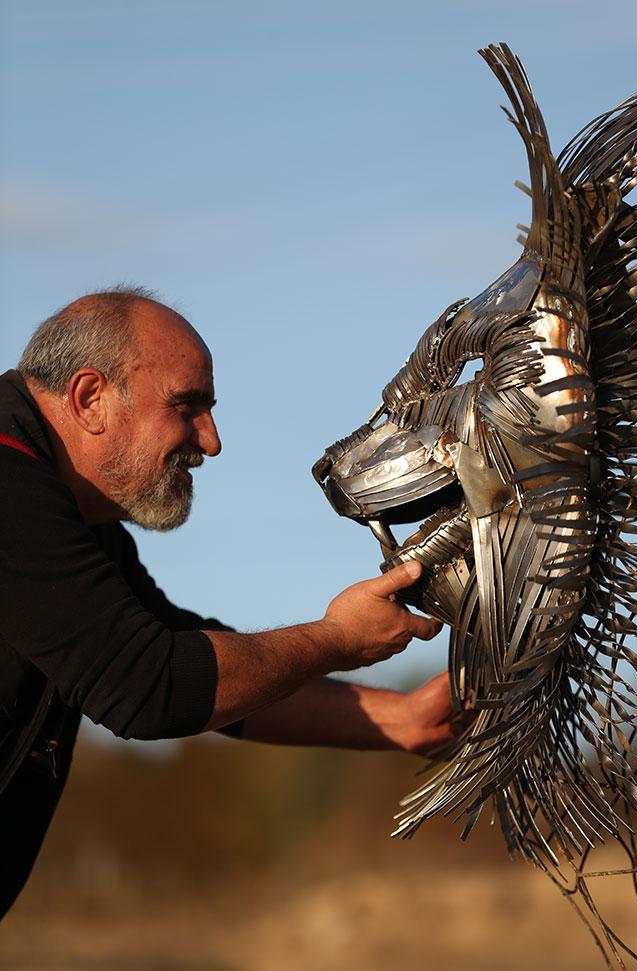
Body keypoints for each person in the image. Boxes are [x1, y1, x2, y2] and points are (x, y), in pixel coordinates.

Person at [0, 286, 462, 918]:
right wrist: (337, 639)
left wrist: (402, 718)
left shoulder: (72, 511)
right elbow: (150, 684)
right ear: (90, 399)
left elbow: (195, 671)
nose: (211, 441)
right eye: (187, 406)